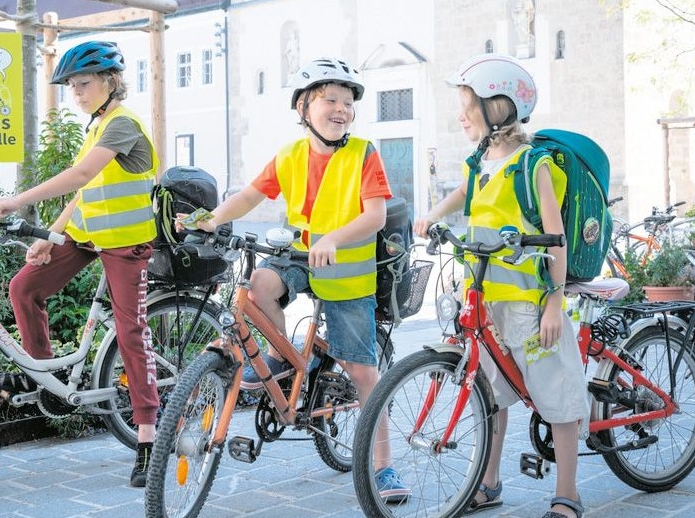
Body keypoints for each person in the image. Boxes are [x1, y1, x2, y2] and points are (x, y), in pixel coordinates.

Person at [182, 58, 410, 503]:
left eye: (348, 102)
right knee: (260, 285)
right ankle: (280, 357)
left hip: (347, 272)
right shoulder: (290, 155)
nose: (341, 108)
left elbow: (375, 215)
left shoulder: (363, 153)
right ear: (304, 107)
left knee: (362, 371)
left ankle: (383, 465)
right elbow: (251, 195)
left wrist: (336, 240)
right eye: (331, 99)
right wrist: (210, 218)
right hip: (300, 257)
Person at [413, 53, 586, 518]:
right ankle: (488, 483)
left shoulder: (534, 165)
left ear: (499, 108)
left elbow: (555, 237)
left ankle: (567, 493)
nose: (461, 113)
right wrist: (432, 215)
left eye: (468, 104)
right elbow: (465, 192)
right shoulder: (480, 160)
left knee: (557, 395)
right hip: (487, 302)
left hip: (530, 304)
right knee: (491, 394)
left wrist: (554, 302)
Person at [0, 41, 159, 488]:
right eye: (71, 87)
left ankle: (147, 438)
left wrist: (16, 203)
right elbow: (86, 191)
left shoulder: (123, 124)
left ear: (111, 82)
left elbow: (80, 176)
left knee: (130, 332)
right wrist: (52, 236)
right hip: (85, 236)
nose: (75, 93)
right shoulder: (97, 124)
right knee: (24, 288)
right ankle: (44, 377)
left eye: (83, 84)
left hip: (125, 244)